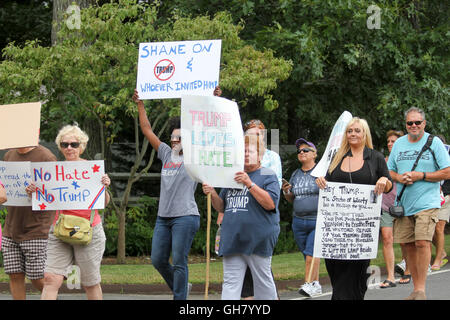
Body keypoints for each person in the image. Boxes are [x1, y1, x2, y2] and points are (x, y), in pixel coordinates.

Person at [133, 89, 200, 300]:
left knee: (180, 261)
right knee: (158, 260)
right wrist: (140, 103)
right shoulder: (165, 153)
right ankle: (182, 287)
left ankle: (180, 299)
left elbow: (207, 128)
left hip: (185, 216)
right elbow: (146, 129)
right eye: (173, 136)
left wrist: (214, 99)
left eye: (179, 137)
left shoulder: (194, 156)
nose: (174, 140)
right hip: (164, 217)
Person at [316, 117, 392, 300]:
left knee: (356, 276)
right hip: (337, 229)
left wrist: (384, 181)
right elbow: (326, 183)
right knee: (337, 273)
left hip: (361, 230)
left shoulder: (375, 157)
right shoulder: (336, 157)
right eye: (350, 131)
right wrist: (321, 181)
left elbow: (388, 183)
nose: (353, 134)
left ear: (365, 134)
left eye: (357, 130)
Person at [202, 134, 280, 300]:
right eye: (242, 151)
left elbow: (270, 203)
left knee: (262, 282)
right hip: (232, 238)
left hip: (257, 240)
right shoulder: (232, 175)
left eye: (249, 151)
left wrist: (249, 183)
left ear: (260, 155)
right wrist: (213, 193)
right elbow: (221, 206)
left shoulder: (268, 174)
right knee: (230, 282)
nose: (245, 154)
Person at [39, 125, 111, 300]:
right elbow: (43, 199)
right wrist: (34, 191)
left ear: (81, 146)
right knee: (50, 279)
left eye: (73, 144)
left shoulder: (92, 169)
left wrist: (104, 187)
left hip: (88, 231)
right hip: (60, 229)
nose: (69, 148)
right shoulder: (53, 171)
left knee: (90, 282)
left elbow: (104, 203)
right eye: (65, 144)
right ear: (60, 147)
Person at [387, 107, 450, 300]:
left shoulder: (434, 143)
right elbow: (389, 171)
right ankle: (416, 288)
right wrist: (399, 177)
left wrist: (421, 175)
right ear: (405, 124)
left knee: (422, 242)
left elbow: (447, 171)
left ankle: (421, 289)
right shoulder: (398, 144)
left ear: (424, 123)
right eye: (409, 123)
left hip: (427, 201)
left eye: (417, 122)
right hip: (404, 203)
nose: (413, 126)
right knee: (408, 246)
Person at [2, 144, 57, 300]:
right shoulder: (9, 155)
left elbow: (56, 192)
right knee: (14, 274)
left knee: (37, 277)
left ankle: (52, 296)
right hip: (12, 227)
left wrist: (39, 190)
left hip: (37, 227)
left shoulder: (46, 157)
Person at [282, 138, 322, 297]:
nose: (301, 153)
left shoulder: (321, 172)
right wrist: (286, 191)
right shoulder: (296, 174)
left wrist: (324, 185)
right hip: (298, 220)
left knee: (312, 253)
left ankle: (307, 284)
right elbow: (292, 198)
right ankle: (316, 284)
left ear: (314, 154)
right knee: (307, 255)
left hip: (317, 219)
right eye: (299, 151)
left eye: (305, 150)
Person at [379, 130, 404, 288]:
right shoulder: (383, 161)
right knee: (387, 239)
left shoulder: (406, 162)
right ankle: (390, 277)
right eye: (388, 141)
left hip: (403, 206)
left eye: (393, 141)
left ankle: (408, 271)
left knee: (405, 242)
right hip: (386, 206)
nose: (390, 144)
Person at [430, 135, 449, 271]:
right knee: (428, 228)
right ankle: (441, 252)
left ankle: (438, 259)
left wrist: (446, 191)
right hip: (431, 196)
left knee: (439, 228)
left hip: (446, 196)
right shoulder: (428, 156)